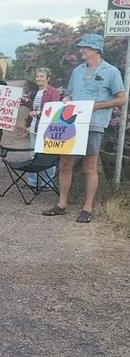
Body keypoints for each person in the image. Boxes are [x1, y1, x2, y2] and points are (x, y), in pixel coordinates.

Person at [42, 34, 126, 223]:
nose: (81, 50)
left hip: (94, 124)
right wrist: (66, 100)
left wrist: (97, 105)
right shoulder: (78, 71)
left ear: (95, 49)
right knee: (65, 163)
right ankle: (61, 203)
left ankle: (87, 208)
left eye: (84, 47)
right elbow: (71, 93)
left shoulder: (111, 71)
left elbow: (122, 98)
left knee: (89, 167)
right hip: (71, 124)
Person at [23, 67, 61, 188]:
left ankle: (47, 183)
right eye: (37, 76)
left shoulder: (53, 92)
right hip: (34, 127)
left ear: (48, 78)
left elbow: (55, 108)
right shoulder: (35, 92)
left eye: (41, 76)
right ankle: (33, 181)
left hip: (46, 129)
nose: (38, 79)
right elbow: (33, 106)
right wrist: (25, 101)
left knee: (47, 155)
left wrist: (38, 113)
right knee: (33, 154)